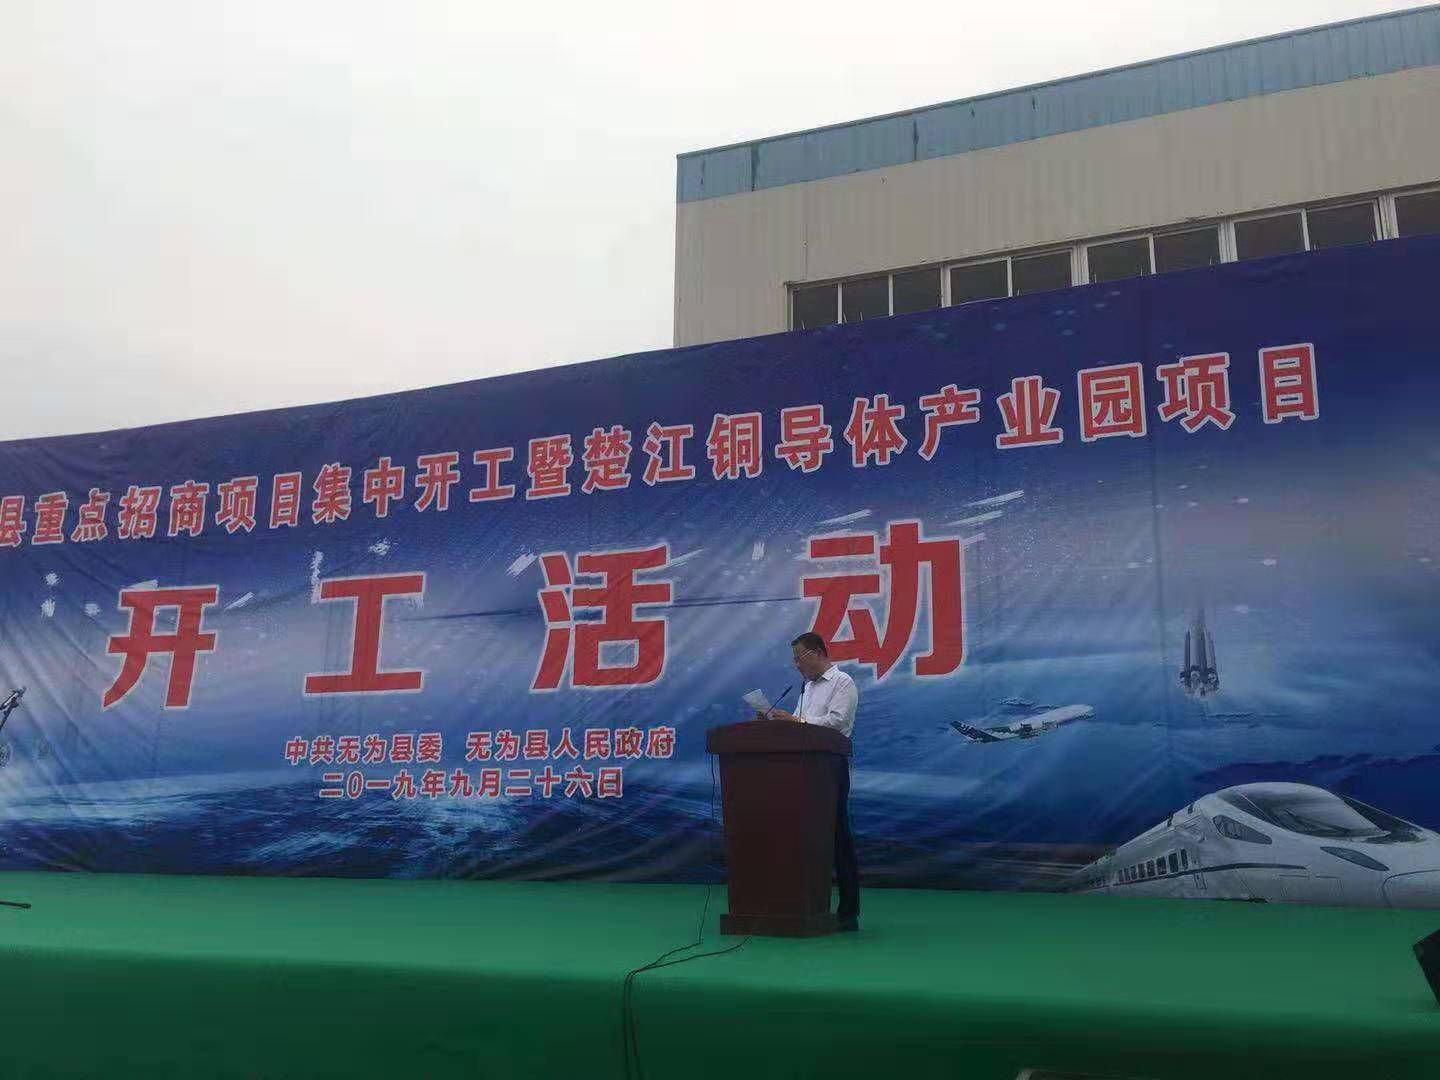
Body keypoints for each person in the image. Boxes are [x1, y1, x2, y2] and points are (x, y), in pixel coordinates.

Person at [758, 632, 860, 931]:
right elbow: (800, 727)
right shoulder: (807, 687)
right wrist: (778, 722)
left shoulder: (842, 682)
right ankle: (802, 905)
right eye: (794, 660)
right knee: (803, 836)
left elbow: (836, 723)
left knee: (837, 835)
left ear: (817, 653)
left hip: (829, 767)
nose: (797, 664)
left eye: (799, 658)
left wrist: (797, 722)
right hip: (802, 768)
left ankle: (848, 912)